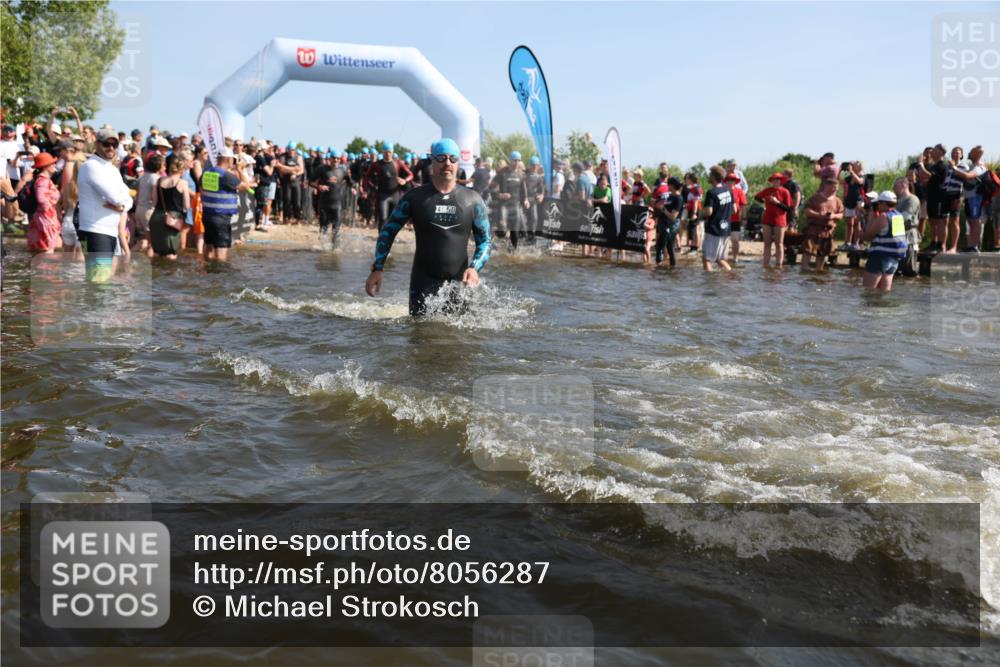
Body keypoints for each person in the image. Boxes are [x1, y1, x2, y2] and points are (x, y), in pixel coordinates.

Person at [365, 138, 491, 316]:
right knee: (420, 337)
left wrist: (474, 268)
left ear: (457, 163)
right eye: (441, 158)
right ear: (432, 161)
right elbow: (388, 232)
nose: (447, 163)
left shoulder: (473, 200)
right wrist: (377, 268)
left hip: (459, 283)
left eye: (452, 158)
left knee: (459, 340)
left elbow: (485, 241)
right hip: (422, 284)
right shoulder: (414, 198)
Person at [76, 128, 133, 282]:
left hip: (110, 231)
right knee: (98, 282)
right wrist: (122, 202)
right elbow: (115, 197)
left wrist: (123, 205)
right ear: (96, 144)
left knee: (104, 281)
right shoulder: (91, 166)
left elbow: (129, 199)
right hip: (94, 230)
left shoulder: (113, 170)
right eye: (107, 144)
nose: (111, 148)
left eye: (114, 145)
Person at [200, 146, 250, 261]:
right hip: (221, 218)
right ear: (228, 159)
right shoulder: (226, 176)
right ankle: (221, 276)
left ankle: (208, 272)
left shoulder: (206, 173)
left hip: (207, 215)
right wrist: (240, 170)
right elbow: (245, 186)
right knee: (221, 250)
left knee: (209, 246)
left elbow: (201, 188)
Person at [917, 144, 963, 253]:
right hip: (931, 196)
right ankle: (934, 242)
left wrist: (920, 164)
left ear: (941, 152)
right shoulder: (934, 165)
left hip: (940, 197)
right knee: (932, 221)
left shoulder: (942, 165)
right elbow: (922, 176)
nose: (932, 152)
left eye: (935, 150)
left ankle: (941, 245)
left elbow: (928, 175)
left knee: (940, 221)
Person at [862, 191, 907, 291]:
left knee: (868, 292)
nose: (877, 206)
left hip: (880, 257)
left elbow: (867, 237)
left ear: (883, 203)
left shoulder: (883, 217)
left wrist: (870, 219)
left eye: (878, 203)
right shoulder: (898, 216)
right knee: (884, 292)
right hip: (894, 258)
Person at [148, 152, 191, 259]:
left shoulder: (158, 181)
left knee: (157, 253)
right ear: (182, 170)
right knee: (171, 254)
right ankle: (169, 276)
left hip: (156, 217)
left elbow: (154, 202)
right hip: (172, 220)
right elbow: (186, 205)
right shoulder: (182, 183)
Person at [801, 179, 844, 274]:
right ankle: (804, 271)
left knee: (823, 252)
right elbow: (807, 211)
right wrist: (819, 215)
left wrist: (833, 216)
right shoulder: (815, 198)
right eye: (833, 187)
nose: (835, 190)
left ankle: (819, 272)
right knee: (808, 250)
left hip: (827, 231)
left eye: (836, 188)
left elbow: (841, 214)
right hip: (814, 228)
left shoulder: (837, 201)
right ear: (826, 186)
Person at [368, 142, 413, 232]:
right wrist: (373, 186)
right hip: (383, 195)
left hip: (395, 195)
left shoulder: (398, 163)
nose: (388, 154)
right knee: (383, 218)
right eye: (386, 152)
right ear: (383, 152)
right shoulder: (377, 164)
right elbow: (368, 177)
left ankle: (390, 238)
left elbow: (410, 174)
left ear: (392, 152)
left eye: (390, 152)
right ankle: (381, 238)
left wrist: (405, 180)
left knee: (393, 219)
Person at [312, 149, 352, 245]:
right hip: (324, 205)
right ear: (330, 158)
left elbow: (351, 182)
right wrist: (319, 186)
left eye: (338, 158)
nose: (336, 160)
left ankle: (334, 251)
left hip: (337, 205)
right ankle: (323, 250)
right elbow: (310, 182)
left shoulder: (343, 171)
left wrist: (353, 188)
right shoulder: (321, 169)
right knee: (323, 230)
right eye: (334, 158)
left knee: (336, 231)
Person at [491, 151, 529, 249]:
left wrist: (526, 200)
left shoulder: (521, 175)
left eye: (518, 160)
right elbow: (490, 189)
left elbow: (524, 190)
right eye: (514, 160)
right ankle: (492, 237)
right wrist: (499, 195)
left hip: (515, 206)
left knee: (515, 235)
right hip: (504, 206)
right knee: (502, 231)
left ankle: (511, 254)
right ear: (510, 160)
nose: (516, 162)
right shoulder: (502, 174)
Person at [754, 172, 793, 268]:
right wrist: (764, 202)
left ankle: (779, 264)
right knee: (767, 243)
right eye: (774, 180)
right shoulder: (768, 190)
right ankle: (766, 264)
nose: (775, 181)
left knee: (779, 243)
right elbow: (757, 197)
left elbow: (788, 208)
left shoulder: (785, 192)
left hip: (780, 219)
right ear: (771, 181)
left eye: (777, 179)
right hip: (767, 218)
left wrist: (777, 202)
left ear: (780, 181)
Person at [953, 145, 987, 252]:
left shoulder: (979, 166)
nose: (969, 153)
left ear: (977, 154)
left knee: (975, 221)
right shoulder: (973, 165)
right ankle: (971, 245)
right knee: (971, 222)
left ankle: (974, 246)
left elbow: (968, 176)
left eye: (972, 151)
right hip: (969, 197)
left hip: (975, 198)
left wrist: (954, 168)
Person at [26, 152, 62, 254]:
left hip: (44, 216)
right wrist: (50, 213)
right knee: (48, 247)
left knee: (48, 246)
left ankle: (41, 268)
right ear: (46, 166)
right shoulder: (43, 181)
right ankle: (46, 269)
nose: (55, 165)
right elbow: (41, 200)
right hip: (46, 217)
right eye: (52, 163)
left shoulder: (43, 180)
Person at [700, 166, 733, 272]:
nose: (708, 176)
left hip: (714, 230)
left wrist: (700, 214)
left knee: (707, 259)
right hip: (726, 229)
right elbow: (734, 209)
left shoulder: (712, 192)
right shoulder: (728, 191)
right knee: (720, 259)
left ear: (713, 177)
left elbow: (709, 212)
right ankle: (731, 276)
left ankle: (709, 283)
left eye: (710, 175)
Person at [652, 178, 683, 267]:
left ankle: (671, 267)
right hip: (664, 223)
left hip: (672, 225)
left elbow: (673, 217)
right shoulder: (670, 196)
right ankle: (659, 268)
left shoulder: (678, 198)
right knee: (659, 246)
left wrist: (663, 209)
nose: (667, 186)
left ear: (672, 186)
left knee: (669, 247)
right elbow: (662, 206)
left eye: (668, 184)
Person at [837, 161, 865, 251]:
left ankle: (856, 243)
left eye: (855, 163)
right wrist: (840, 170)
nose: (852, 164)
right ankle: (847, 242)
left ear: (860, 166)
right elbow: (839, 181)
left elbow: (860, 182)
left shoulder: (863, 176)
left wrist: (851, 171)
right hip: (849, 201)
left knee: (857, 223)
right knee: (849, 224)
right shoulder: (849, 177)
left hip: (858, 201)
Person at [724, 173, 747, 265]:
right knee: (724, 240)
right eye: (729, 180)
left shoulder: (739, 191)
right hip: (724, 219)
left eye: (732, 180)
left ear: (735, 182)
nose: (730, 182)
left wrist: (744, 218)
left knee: (735, 240)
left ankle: (735, 258)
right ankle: (723, 258)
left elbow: (743, 206)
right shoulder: (723, 191)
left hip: (736, 219)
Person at [524, 155, 545, 241]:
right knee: (523, 220)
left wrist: (541, 196)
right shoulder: (524, 176)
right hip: (524, 201)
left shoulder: (539, 177)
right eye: (533, 165)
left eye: (536, 165)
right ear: (529, 166)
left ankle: (531, 237)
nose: (535, 167)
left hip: (533, 202)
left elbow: (541, 190)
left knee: (534, 219)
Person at [682, 172, 702, 253]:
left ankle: (695, 247)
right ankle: (693, 246)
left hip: (695, 210)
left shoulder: (696, 188)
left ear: (690, 179)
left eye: (687, 178)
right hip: (692, 210)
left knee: (695, 228)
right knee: (693, 228)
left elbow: (696, 201)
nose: (686, 180)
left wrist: (694, 213)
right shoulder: (694, 187)